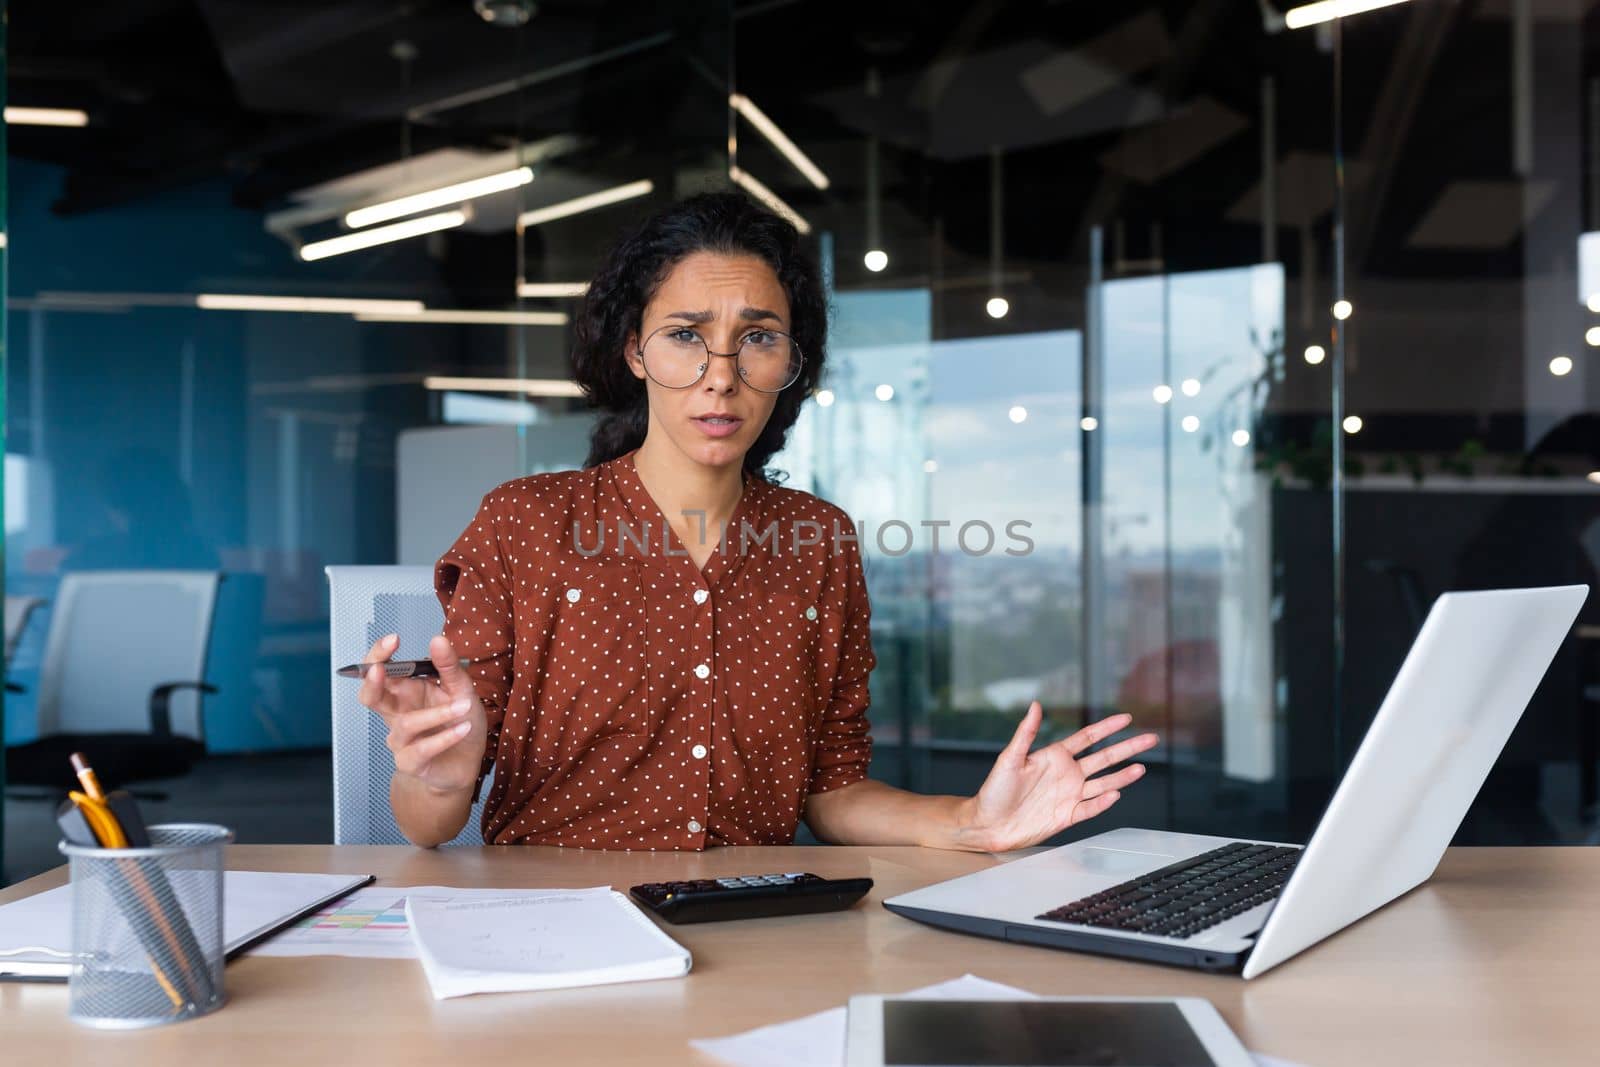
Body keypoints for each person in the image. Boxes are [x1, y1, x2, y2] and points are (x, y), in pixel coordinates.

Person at [359, 191, 1158, 849]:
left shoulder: (821, 539)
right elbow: (428, 824)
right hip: (555, 929)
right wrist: (440, 776)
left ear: (791, 362)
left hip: (753, 926)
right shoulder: (526, 523)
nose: (721, 377)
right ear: (635, 351)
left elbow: (832, 789)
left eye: (758, 340)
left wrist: (971, 821)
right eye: (685, 337)